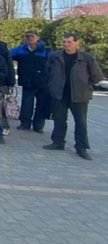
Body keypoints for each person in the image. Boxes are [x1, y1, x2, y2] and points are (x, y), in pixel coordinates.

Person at [44, 32, 104, 160]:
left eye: (69, 42)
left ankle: (81, 147)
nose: (66, 45)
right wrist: (53, 85)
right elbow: (48, 71)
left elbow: (97, 76)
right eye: (64, 42)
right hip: (59, 94)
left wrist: (85, 85)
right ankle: (58, 142)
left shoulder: (86, 58)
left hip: (79, 95)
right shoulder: (55, 57)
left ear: (77, 43)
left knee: (80, 122)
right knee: (59, 119)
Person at [10, 31, 51, 133]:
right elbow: (6, 56)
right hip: (27, 81)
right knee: (26, 103)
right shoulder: (20, 49)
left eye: (32, 36)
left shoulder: (46, 51)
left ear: (38, 37)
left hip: (43, 81)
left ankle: (38, 125)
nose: (29, 38)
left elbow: (53, 65)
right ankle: (25, 123)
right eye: (27, 36)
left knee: (42, 104)